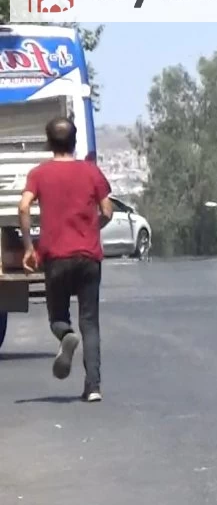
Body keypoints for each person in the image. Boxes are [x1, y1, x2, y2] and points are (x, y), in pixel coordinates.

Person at [18, 116, 112, 402]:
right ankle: (93, 386)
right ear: (74, 142)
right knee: (91, 322)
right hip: (88, 257)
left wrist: (28, 248)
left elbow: (23, 206)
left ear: (49, 143)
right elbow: (107, 211)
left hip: (55, 257)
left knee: (58, 316)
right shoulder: (91, 172)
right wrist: (91, 230)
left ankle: (65, 335)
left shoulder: (39, 174)